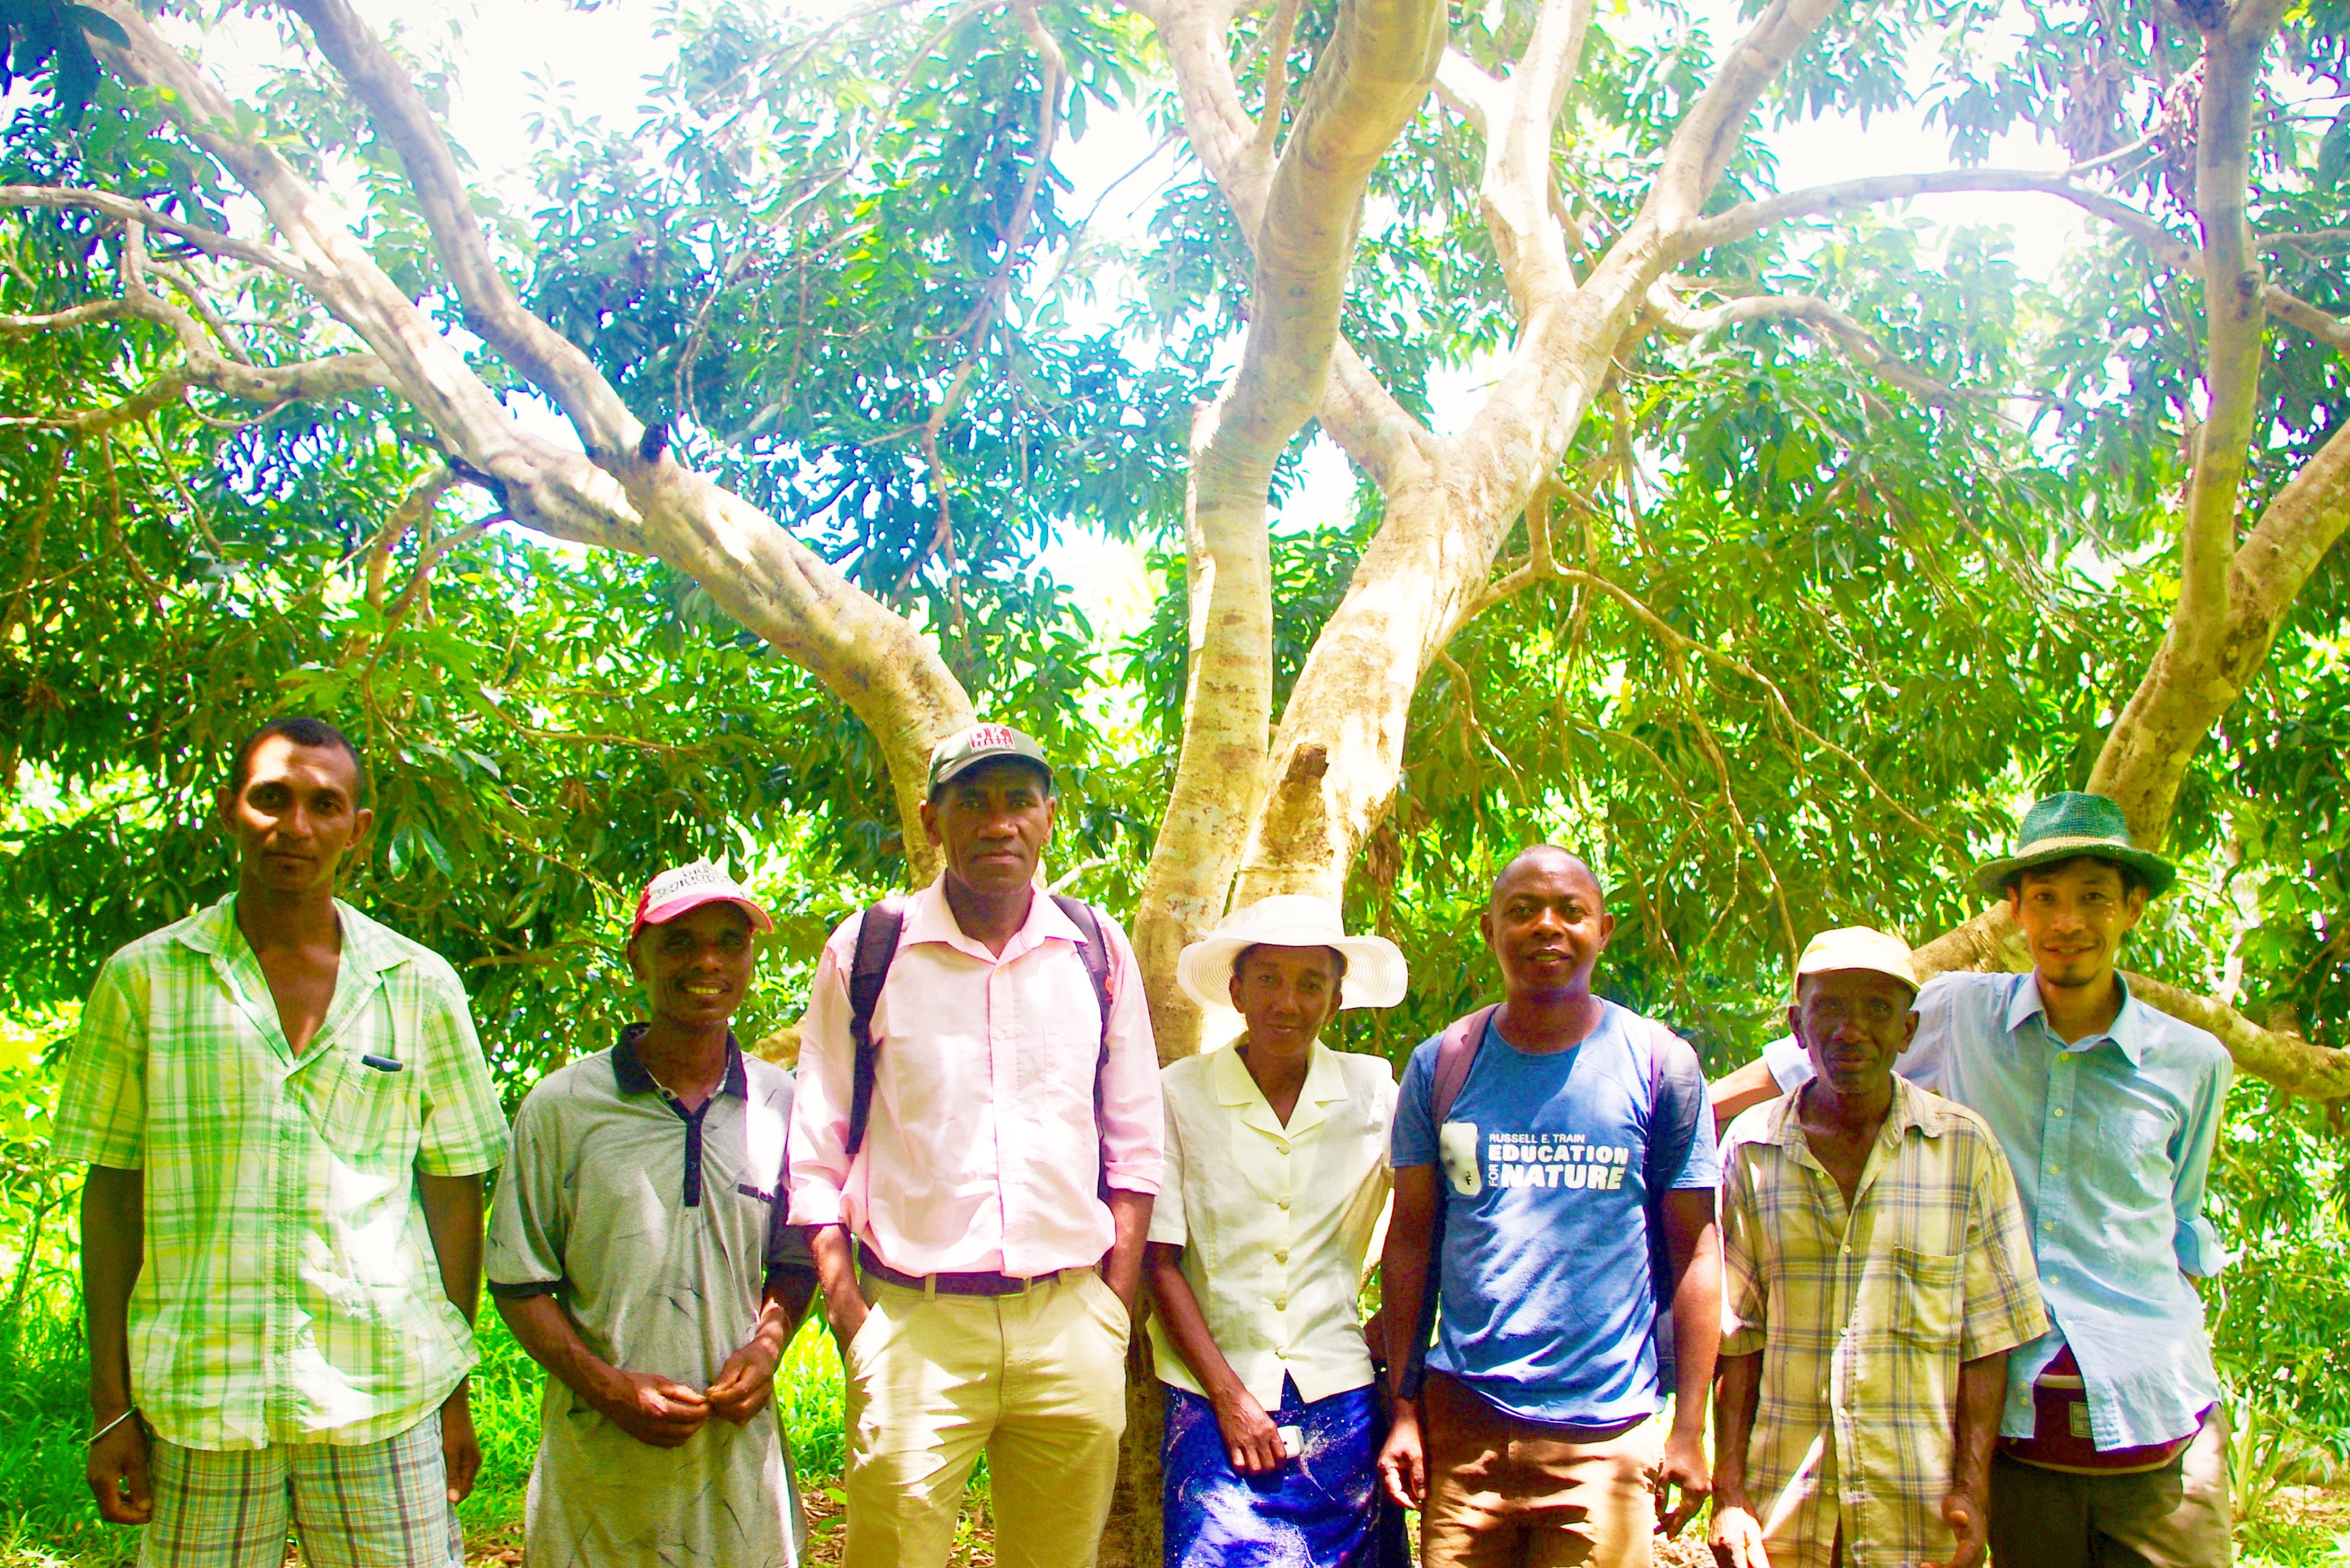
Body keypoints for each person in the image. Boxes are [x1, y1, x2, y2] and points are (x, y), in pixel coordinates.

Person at [1711, 792, 2235, 1566]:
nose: (2068, 922)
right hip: (2021, 1435)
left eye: (2094, 897)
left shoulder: (2193, 1062)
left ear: (2133, 908)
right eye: (2046, 898)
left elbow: (2180, 1224)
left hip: (2160, 1417)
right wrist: (1668, 1112)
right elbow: (1817, 1052)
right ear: (2015, 910)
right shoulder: (1958, 1013)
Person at [55, 716, 508, 1567]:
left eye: (323, 804)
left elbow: (453, 1190)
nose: (294, 826)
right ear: (230, 808)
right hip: (201, 1399)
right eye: (271, 798)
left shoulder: (418, 984)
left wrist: (452, 1389)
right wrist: (111, 1404)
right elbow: (113, 1194)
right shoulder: (145, 979)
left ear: (357, 828)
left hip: (382, 1392)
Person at [787, 722, 1162, 1568]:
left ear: (1050, 815)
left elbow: (1136, 1139)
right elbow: (815, 1145)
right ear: (932, 820)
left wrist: (1112, 1303)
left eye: (1019, 800)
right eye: (973, 803)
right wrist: (849, 1309)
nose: (1000, 824)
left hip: (1069, 1319)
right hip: (915, 1323)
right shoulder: (870, 949)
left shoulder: (1095, 948)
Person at [1380, 844, 1722, 1567]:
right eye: (1524, 910)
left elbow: (1697, 1249)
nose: (1547, 926)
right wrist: (1404, 1409)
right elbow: (1409, 1240)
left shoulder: (1661, 1065)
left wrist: (1690, 1428)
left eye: (1571, 911)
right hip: (1465, 1432)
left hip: (1606, 1440)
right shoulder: (1442, 1063)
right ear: (1490, 929)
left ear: (1603, 929)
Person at [486, 860, 819, 1567]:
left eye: (730, 942)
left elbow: (795, 1263)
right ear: (637, 956)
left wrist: (767, 1347)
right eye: (680, 942)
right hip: (598, 1471)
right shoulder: (563, 1107)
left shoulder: (783, 1104)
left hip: (738, 1473)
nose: (708, 961)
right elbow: (518, 1282)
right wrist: (607, 1387)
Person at [1711, 927, 2048, 1568]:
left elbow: (1988, 1341)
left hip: (1917, 1517)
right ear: (1797, 1026)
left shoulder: (1964, 1149)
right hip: (1782, 1520)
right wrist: (1728, 1492)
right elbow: (1737, 1337)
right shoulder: (1752, 1150)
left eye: (1877, 1009)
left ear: (1908, 1030)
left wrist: (1972, 1488)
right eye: (1830, 1008)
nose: (1852, 1030)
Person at [1148, 895, 1412, 1567]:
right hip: (1211, 1394)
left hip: (1340, 1394)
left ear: (1336, 999)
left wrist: (1388, 1329)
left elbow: (1429, 1223)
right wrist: (1230, 1398)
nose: (1287, 1003)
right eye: (1268, 979)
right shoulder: (1179, 1093)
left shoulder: (1374, 1093)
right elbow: (1160, 1261)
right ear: (1237, 991)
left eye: (1310, 984)